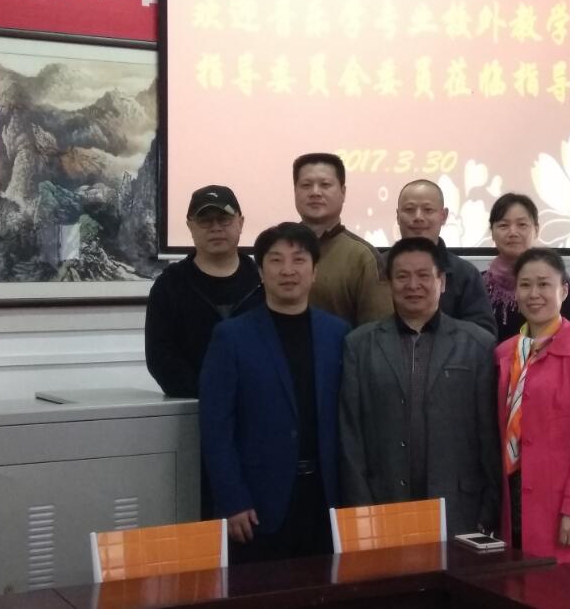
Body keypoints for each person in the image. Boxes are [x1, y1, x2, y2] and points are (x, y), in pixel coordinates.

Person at [199, 222, 350, 561]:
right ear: (260, 271)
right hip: (257, 503)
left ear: (315, 271)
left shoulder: (338, 334)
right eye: (276, 260)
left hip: (324, 497)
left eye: (299, 260)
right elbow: (215, 429)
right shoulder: (231, 337)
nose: (288, 270)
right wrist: (232, 500)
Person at [339, 237, 500, 536]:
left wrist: (489, 509)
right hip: (383, 500)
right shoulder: (359, 345)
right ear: (389, 283)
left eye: (424, 275)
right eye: (402, 276)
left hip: (460, 505)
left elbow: (489, 433)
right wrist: (360, 505)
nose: (413, 285)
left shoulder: (478, 344)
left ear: (442, 282)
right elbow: (351, 434)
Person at [496, 247, 570, 570]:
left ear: (563, 291)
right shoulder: (505, 354)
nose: (534, 294)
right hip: (515, 499)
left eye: (544, 284)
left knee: (567, 590)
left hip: (565, 505)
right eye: (525, 285)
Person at [145, 185, 263, 398]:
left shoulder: (263, 281)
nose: (215, 228)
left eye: (224, 219)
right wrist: (210, 393)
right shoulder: (170, 285)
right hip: (194, 406)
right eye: (205, 220)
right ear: (190, 226)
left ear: (241, 222)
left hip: (260, 404)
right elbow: (160, 356)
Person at [293, 152, 393, 327]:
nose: (315, 192)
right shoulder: (279, 248)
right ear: (295, 191)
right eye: (306, 185)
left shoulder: (362, 255)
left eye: (325, 185)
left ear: (343, 192)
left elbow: (378, 331)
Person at [395, 179, 497, 337]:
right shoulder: (377, 267)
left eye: (428, 210)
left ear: (443, 216)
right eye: (409, 209)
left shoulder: (466, 274)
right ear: (397, 216)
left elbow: (484, 335)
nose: (418, 217)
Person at [483, 193, 570, 341]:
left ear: (536, 229)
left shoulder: (556, 281)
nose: (513, 232)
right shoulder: (477, 283)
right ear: (492, 232)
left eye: (522, 225)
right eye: (503, 225)